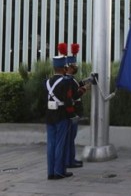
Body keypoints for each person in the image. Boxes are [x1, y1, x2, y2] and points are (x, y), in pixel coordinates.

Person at [46, 51, 74, 180]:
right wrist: (72, 114)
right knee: (60, 144)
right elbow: (68, 100)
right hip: (62, 115)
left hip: (49, 115)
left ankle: (50, 172)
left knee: (51, 144)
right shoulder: (66, 82)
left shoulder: (46, 82)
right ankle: (59, 172)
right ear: (64, 68)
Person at [64, 43, 90, 169]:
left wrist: (82, 82)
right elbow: (74, 95)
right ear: (68, 67)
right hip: (72, 112)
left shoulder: (70, 79)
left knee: (70, 138)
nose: (76, 67)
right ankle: (69, 161)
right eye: (73, 65)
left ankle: (70, 159)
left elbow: (74, 86)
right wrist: (84, 88)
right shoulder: (68, 80)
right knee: (70, 138)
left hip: (73, 112)